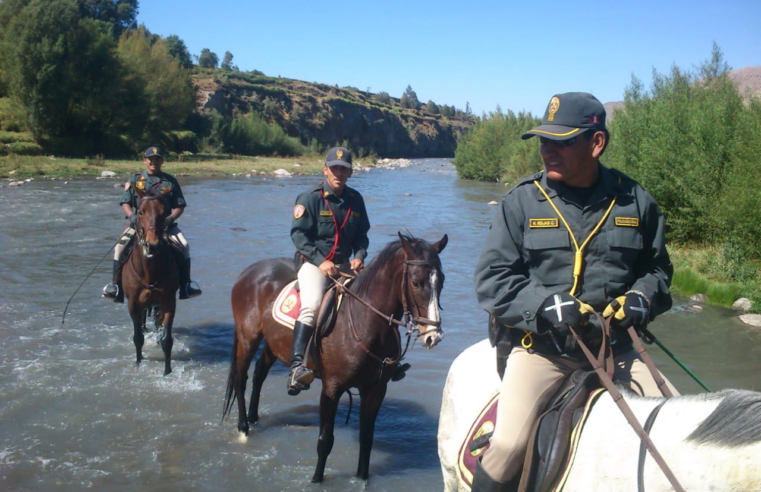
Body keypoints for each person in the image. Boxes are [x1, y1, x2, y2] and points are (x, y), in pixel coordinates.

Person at [471, 92, 678, 491]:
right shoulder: (521, 202)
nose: (548, 150)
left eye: (562, 142)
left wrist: (643, 297)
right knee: (509, 447)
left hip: (618, 350)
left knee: (679, 427)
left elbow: (657, 269)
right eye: (544, 141)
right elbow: (492, 279)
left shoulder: (637, 202)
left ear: (596, 143)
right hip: (544, 351)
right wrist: (544, 304)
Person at [288, 146, 370, 395]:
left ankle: (379, 362)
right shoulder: (309, 198)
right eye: (334, 168)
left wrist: (359, 256)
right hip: (313, 264)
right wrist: (320, 261)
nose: (339, 173)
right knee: (311, 305)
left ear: (350, 173)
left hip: (345, 266)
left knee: (372, 301)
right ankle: (296, 365)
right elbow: (298, 234)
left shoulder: (356, 200)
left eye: (343, 169)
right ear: (325, 170)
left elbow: (362, 236)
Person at [102, 146, 202, 303]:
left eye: (157, 159)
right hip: (139, 225)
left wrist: (170, 218)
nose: (154, 162)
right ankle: (115, 286)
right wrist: (132, 216)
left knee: (184, 246)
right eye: (151, 159)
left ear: (162, 161)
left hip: (165, 226)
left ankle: (186, 285)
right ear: (145, 160)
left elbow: (179, 206)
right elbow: (125, 202)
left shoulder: (170, 182)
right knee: (119, 248)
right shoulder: (135, 180)